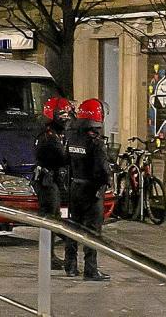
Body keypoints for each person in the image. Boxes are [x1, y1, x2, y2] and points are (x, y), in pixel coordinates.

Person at [64, 98, 112, 281]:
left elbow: (66, 160)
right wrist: (107, 180)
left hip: (75, 187)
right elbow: (102, 168)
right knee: (92, 232)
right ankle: (90, 270)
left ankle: (70, 265)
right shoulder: (96, 142)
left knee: (73, 227)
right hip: (92, 191)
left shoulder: (73, 136)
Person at [33, 97, 74, 270]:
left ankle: (49, 255)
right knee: (50, 219)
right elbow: (62, 157)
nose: (66, 118)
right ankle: (48, 257)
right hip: (47, 181)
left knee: (52, 217)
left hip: (51, 180)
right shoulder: (48, 136)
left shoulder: (54, 133)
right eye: (62, 114)